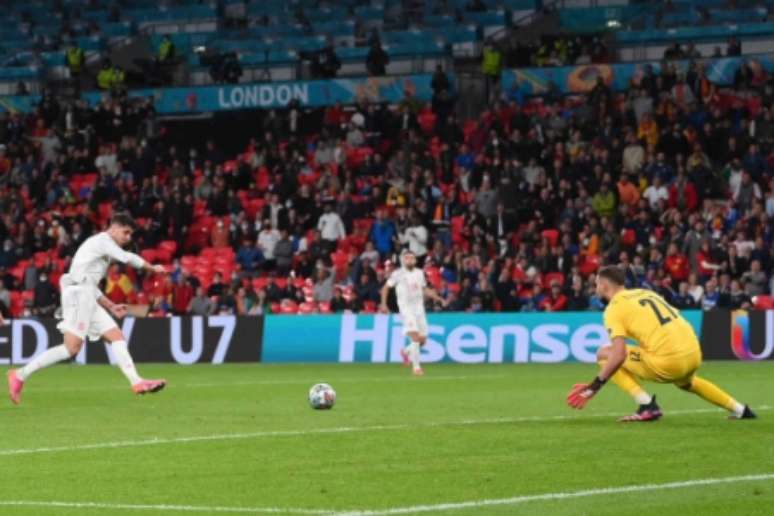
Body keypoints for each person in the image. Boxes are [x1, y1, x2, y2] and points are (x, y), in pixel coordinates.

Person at [6, 213, 167, 405]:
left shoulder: (102, 251)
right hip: (77, 294)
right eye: (126, 233)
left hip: (86, 294)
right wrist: (152, 267)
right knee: (71, 348)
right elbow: (126, 257)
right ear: (114, 228)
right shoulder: (103, 240)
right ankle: (20, 374)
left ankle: (136, 381)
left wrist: (110, 305)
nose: (127, 238)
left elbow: (90, 284)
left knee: (116, 336)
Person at [567, 266, 755, 421]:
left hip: (668, 361)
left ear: (604, 284)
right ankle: (741, 410)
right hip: (693, 353)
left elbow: (619, 355)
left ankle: (647, 405)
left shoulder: (614, 309)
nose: (595, 289)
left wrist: (593, 387)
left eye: (596, 284)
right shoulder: (645, 293)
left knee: (604, 353)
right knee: (687, 383)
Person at [379, 250, 446, 376]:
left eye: (411, 258)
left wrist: (438, 298)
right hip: (406, 309)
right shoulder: (397, 274)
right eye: (407, 258)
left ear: (415, 260)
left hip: (419, 309)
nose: (409, 260)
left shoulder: (420, 273)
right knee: (415, 337)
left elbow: (424, 289)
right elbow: (385, 288)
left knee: (422, 341)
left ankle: (406, 351)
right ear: (403, 260)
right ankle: (416, 368)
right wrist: (384, 304)